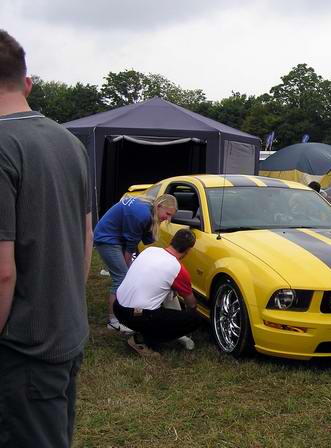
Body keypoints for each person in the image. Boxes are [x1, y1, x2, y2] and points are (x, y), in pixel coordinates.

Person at [0, 30, 92, 447]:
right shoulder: (71, 143)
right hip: (66, 334)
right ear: (28, 82)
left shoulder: (3, 147)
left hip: (22, 350)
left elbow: (2, 274)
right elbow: (86, 237)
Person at [94, 193, 177, 333]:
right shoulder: (141, 214)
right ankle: (114, 322)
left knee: (125, 276)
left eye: (171, 216)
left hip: (115, 237)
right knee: (121, 278)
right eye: (167, 214)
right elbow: (130, 247)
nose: (167, 218)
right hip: (107, 238)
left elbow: (143, 240)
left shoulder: (149, 210)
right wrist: (129, 273)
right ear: (159, 206)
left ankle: (123, 311)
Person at [113, 229, 203, 356]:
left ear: (172, 241)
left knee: (168, 291)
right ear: (188, 250)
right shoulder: (177, 269)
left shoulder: (150, 250)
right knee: (195, 319)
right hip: (135, 316)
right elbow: (191, 304)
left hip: (118, 306)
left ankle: (146, 329)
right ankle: (141, 340)